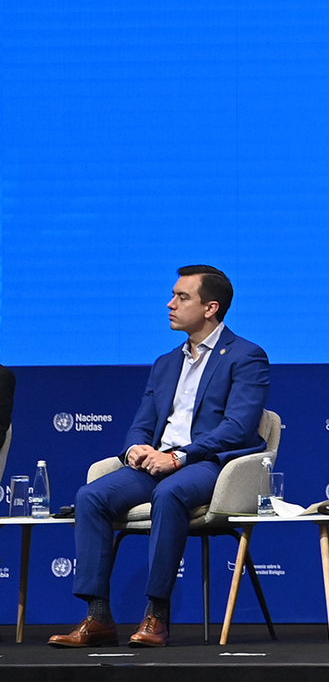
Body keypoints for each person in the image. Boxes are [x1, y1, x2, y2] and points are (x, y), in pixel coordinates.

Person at [51, 266, 270, 649]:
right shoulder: (166, 363)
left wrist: (180, 457)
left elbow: (238, 428)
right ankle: (98, 617)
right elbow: (143, 423)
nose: (170, 304)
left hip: (208, 464)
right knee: (91, 496)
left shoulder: (246, 356)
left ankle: (157, 615)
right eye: (173, 295)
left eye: (182, 297)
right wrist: (135, 448)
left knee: (168, 494)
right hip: (157, 463)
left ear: (210, 308)